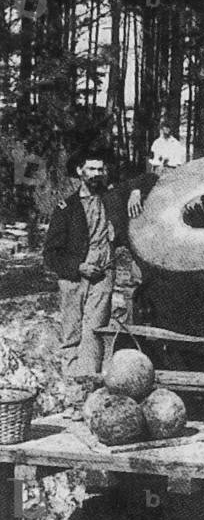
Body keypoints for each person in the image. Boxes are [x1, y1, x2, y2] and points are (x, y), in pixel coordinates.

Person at [43, 149, 126, 378]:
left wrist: (137, 192)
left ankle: (89, 387)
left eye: (100, 169)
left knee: (94, 332)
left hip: (102, 275)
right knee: (72, 333)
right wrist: (78, 267)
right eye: (91, 169)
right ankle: (71, 385)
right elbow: (50, 253)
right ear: (80, 172)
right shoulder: (66, 208)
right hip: (74, 277)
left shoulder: (112, 200)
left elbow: (147, 180)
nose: (97, 174)